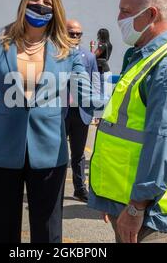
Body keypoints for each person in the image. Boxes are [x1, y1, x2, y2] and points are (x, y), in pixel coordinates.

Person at [0, 0, 101, 243]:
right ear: (24, 2)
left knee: (48, 233)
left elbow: (87, 94)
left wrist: (124, 92)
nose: (39, 5)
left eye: (47, 2)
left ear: (56, 9)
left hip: (50, 155)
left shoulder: (66, 50)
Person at [88, 0, 167, 243]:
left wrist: (135, 206)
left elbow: (163, 142)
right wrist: (114, 200)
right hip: (127, 202)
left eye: (125, 11)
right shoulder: (144, 57)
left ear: (151, 14)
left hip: (148, 214)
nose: (118, 18)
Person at [65, 19, 99, 202]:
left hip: (81, 113)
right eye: (71, 33)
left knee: (78, 154)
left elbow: (95, 84)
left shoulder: (89, 57)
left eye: (78, 34)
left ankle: (80, 189)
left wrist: (97, 112)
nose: (75, 37)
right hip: (60, 111)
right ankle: (54, 187)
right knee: (56, 153)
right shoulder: (54, 54)